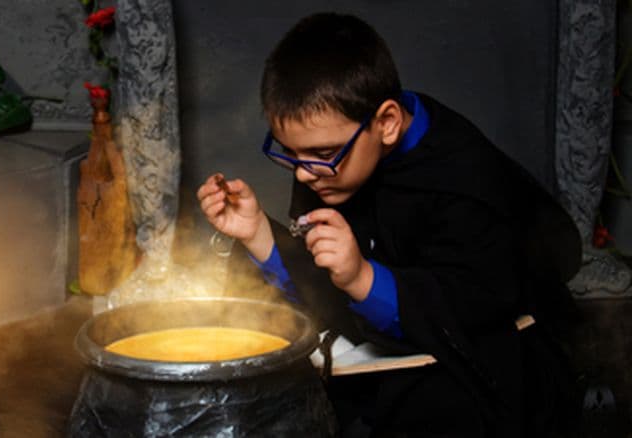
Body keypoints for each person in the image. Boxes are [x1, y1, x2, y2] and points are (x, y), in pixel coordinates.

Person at [196, 12, 583, 438]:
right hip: (380, 366)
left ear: (387, 123)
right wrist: (257, 233)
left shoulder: (466, 183)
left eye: (320, 153)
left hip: (493, 377)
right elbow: (325, 287)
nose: (303, 174)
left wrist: (362, 278)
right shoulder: (329, 161)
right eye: (290, 152)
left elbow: (474, 314)